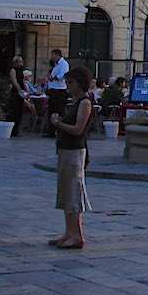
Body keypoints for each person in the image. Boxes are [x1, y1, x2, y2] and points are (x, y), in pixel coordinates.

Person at [48, 65, 94, 249]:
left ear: (80, 83)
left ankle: (77, 235)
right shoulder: (75, 102)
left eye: (71, 82)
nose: (67, 84)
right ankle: (68, 232)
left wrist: (58, 123)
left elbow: (78, 129)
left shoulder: (85, 102)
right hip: (66, 150)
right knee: (66, 192)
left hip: (75, 151)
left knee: (74, 193)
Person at [44, 49, 69, 137]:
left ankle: (60, 131)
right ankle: (51, 130)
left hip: (60, 90)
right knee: (51, 110)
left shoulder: (64, 64)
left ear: (58, 55)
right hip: (53, 90)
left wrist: (53, 77)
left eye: (53, 55)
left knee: (60, 111)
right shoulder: (55, 65)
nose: (52, 57)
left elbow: (63, 75)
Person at [7, 55, 29, 137]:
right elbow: (14, 81)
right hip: (16, 92)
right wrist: (19, 90)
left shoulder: (21, 70)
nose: (22, 63)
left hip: (22, 92)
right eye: (20, 61)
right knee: (14, 111)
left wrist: (26, 90)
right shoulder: (13, 70)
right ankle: (12, 130)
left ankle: (16, 130)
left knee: (19, 111)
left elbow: (23, 81)